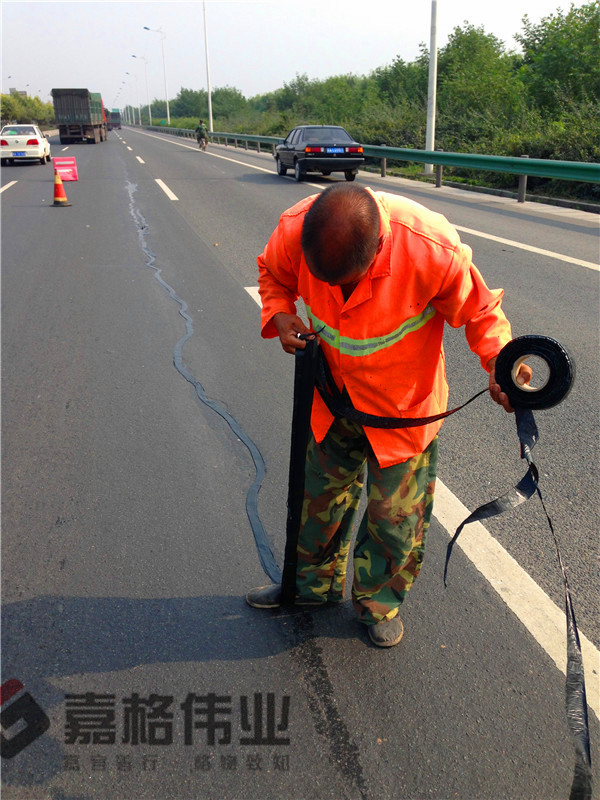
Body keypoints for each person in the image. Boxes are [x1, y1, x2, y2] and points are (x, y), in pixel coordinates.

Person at [247, 184, 530, 647]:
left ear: (379, 248)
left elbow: (480, 312)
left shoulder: (429, 246)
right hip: (333, 398)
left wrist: (502, 363)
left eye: (345, 282)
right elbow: (272, 274)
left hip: (403, 409)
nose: (335, 293)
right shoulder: (294, 229)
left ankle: (377, 603)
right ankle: (310, 590)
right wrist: (279, 311)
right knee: (316, 504)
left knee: (394, 520)